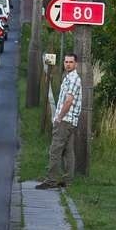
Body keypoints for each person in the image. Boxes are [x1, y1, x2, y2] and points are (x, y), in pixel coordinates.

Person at [36, 53, 82, 189]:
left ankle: (50, 181)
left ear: (76, 64)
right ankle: (67, 180)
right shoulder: (69, 77)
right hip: (71, 121)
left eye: (71, 62)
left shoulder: (73, 79)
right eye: (66, 62)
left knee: (55, 150)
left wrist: (59, 117)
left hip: (65, 120)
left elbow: (68, 101)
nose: (68, 64)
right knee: (68, 151)